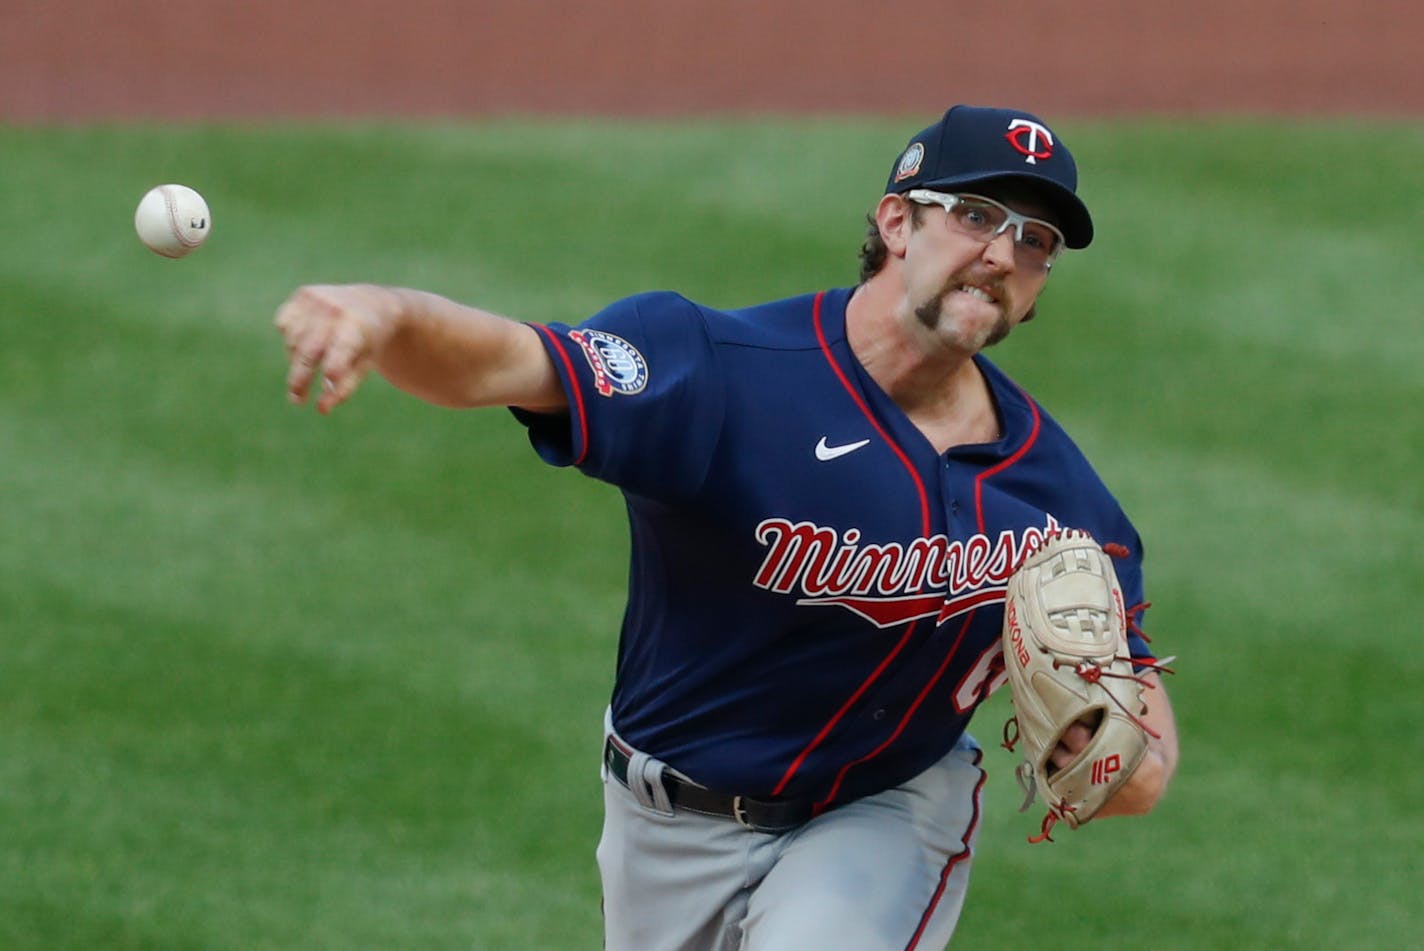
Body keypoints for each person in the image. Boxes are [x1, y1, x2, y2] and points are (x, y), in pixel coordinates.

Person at [276, 104, 1179, 950]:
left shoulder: (1061, 503)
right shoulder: (719, 373)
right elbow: (511, 361)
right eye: (977, 215)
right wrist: (384, 311)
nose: (1001, 254)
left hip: (885, 812)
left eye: (1035, 240)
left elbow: (1143, 764)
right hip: (662, 818)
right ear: (897, 223)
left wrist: (1115, 754)